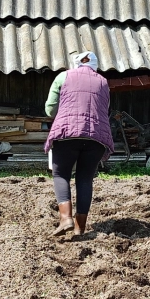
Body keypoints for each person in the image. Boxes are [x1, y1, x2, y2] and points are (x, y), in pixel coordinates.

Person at [45, 51, 114, 238]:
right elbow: (104, 109)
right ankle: (80, 228)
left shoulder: (63, 76)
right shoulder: (103, 82)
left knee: (61, 174)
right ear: (95, 66)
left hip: (67, 133)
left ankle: (66, 218)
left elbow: (50, 109)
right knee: (85, 178)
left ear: (76, 64)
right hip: (95, 136)